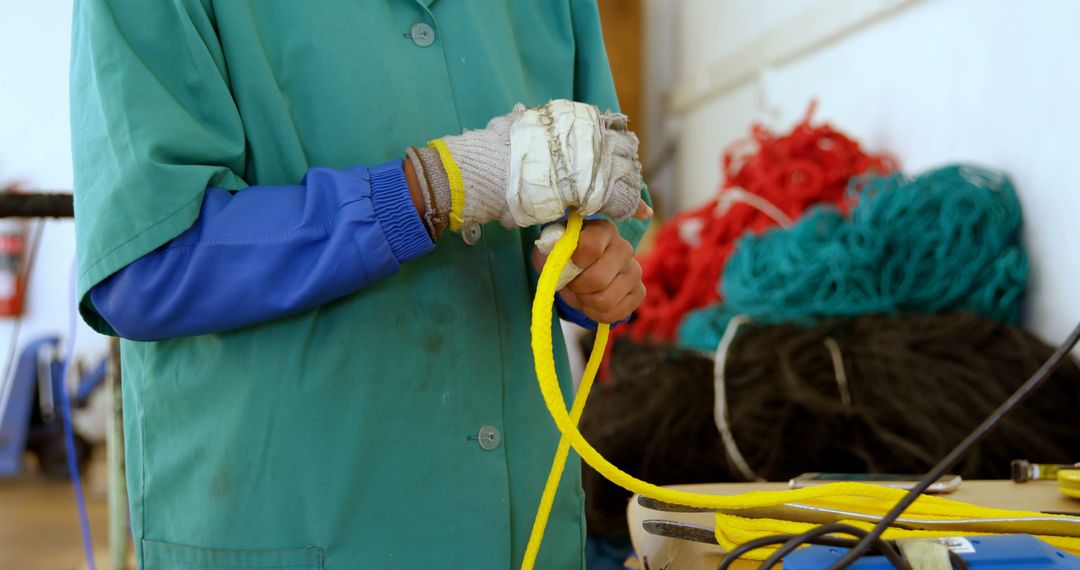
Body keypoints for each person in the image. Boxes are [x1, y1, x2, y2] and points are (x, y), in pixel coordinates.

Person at [70, 1, 651, 568]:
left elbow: (597, 203)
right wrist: (426, 191)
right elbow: (145, 263)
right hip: (290, 520)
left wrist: (596, 272)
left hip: (523, 528)